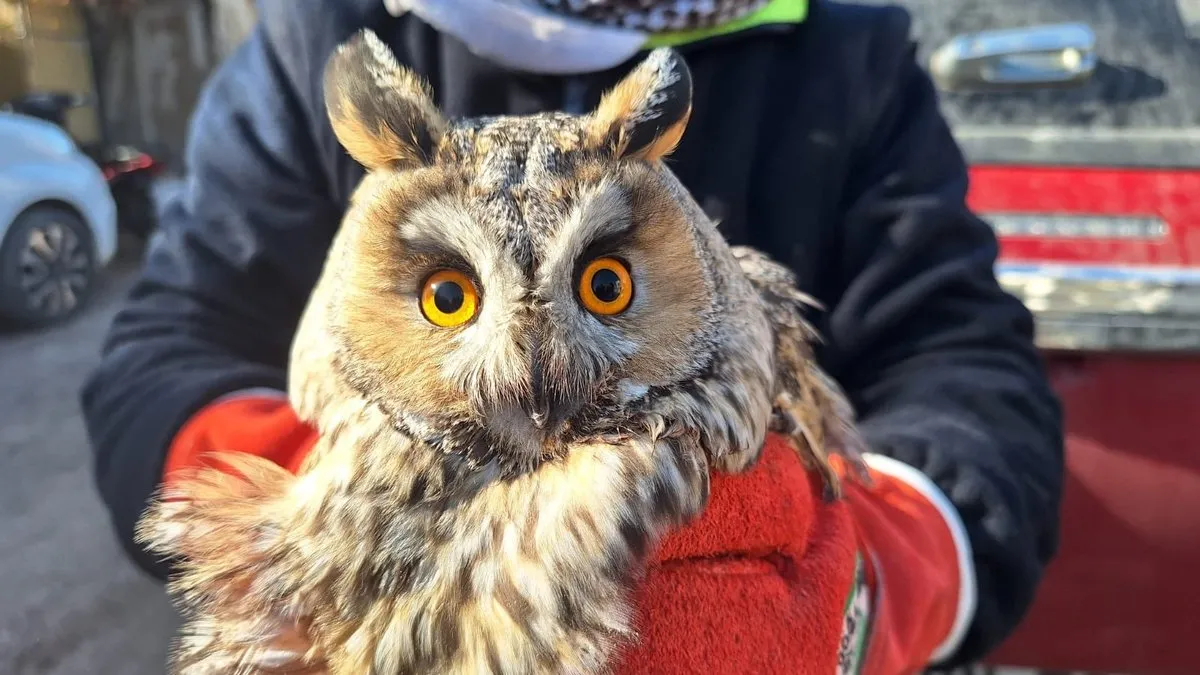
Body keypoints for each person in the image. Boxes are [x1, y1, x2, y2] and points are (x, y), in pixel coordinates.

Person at [81, 0, 1064, 672]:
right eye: (449, 298)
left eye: (606, 283)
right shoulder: (336, 33)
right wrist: (344, 524)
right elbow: (170, 347)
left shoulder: (840, 47)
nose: (530, 369)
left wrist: (866, 589)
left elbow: (962, 365)